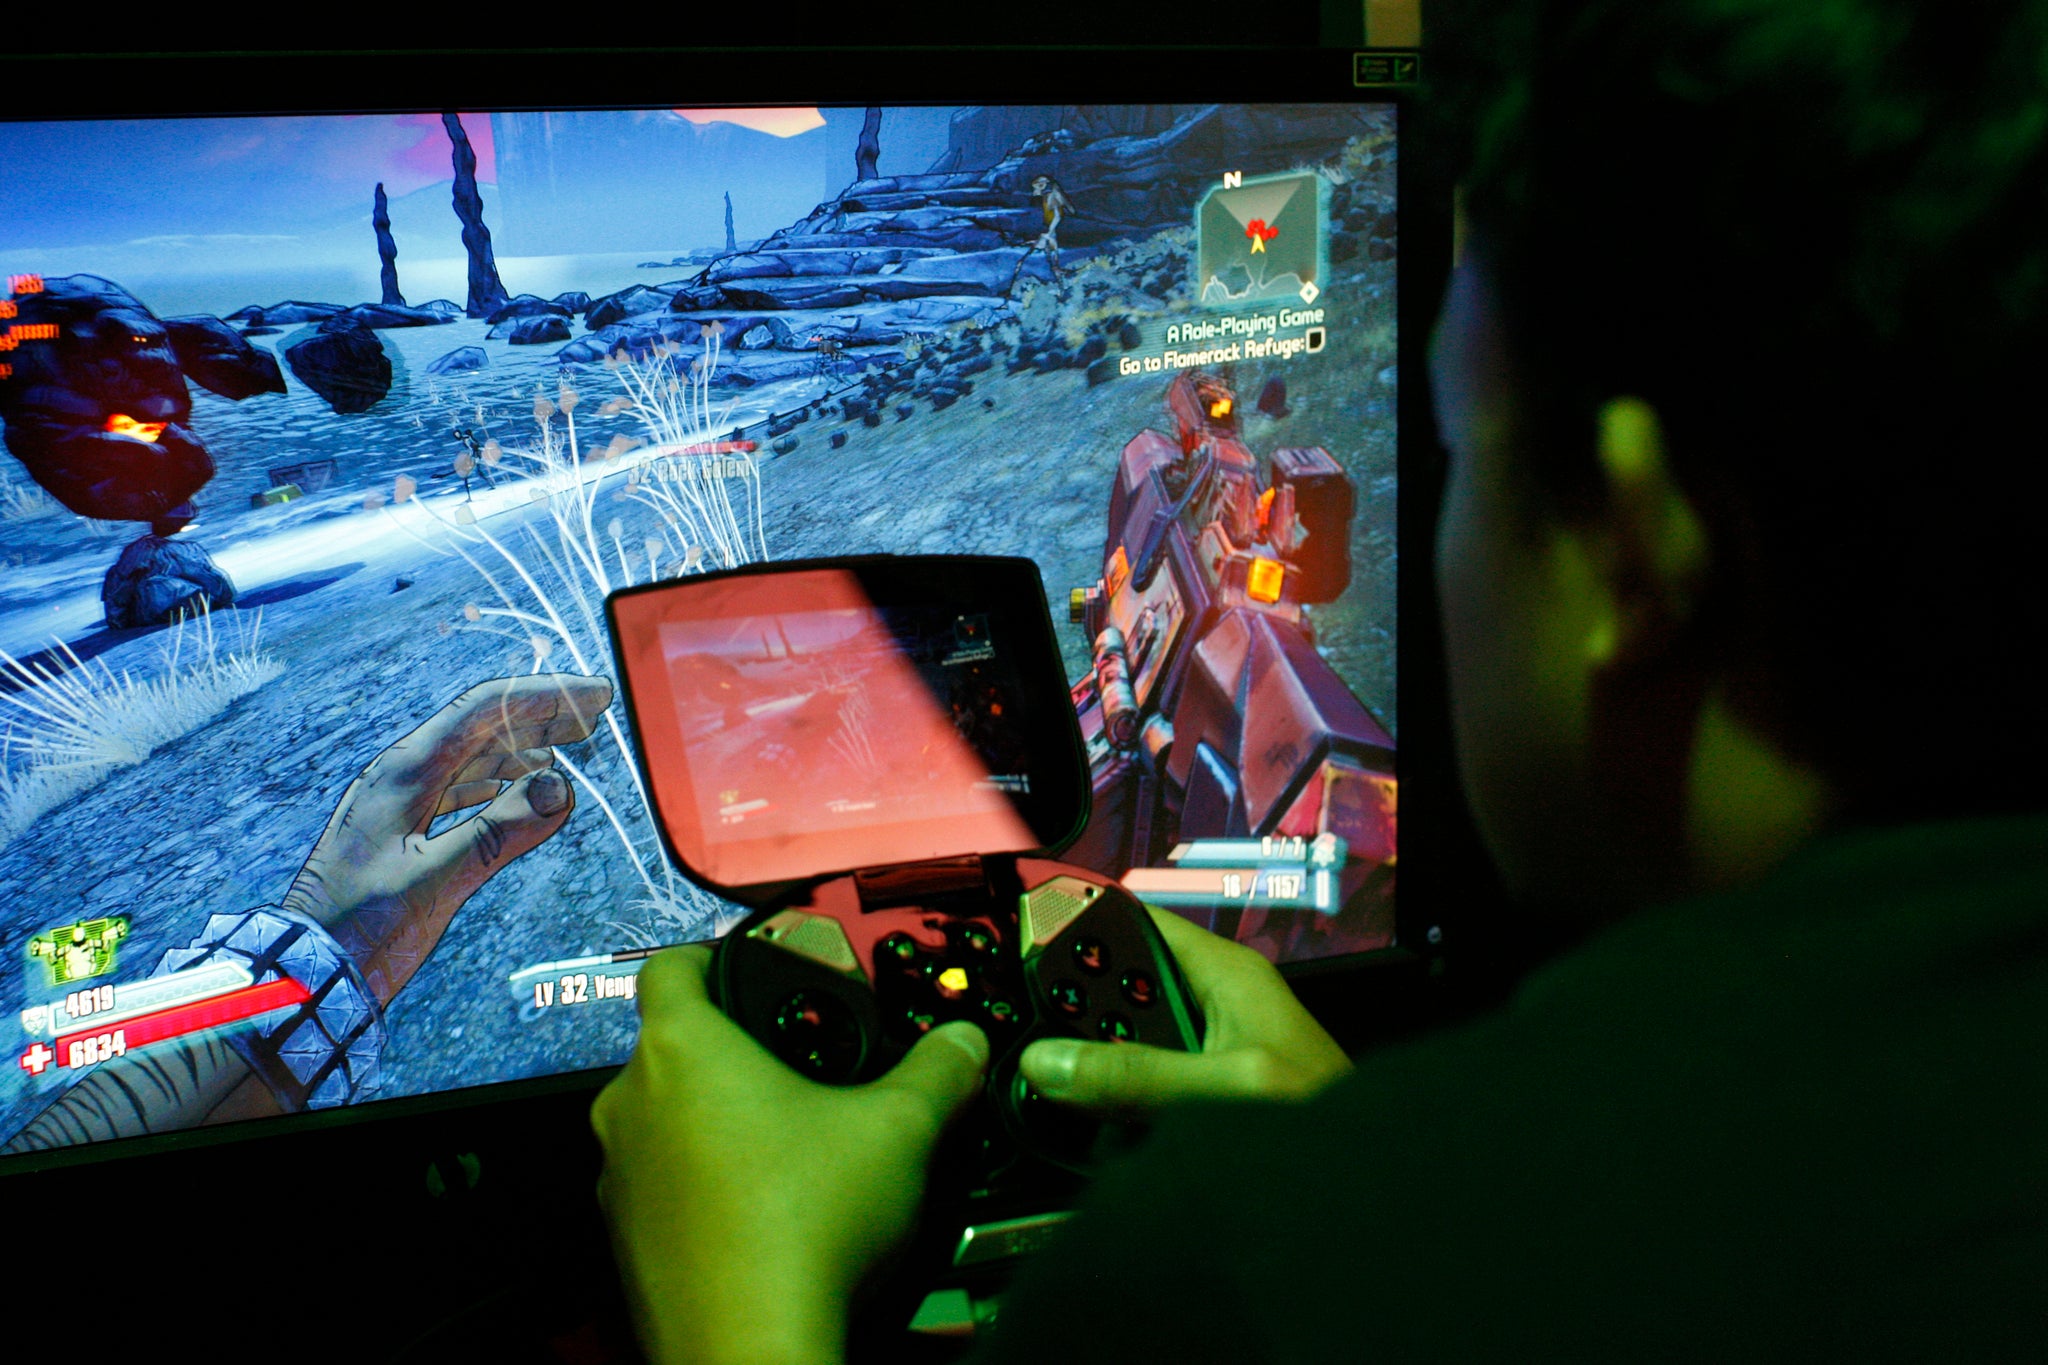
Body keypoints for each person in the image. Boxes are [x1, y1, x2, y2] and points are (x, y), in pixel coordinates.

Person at [590, 2, 2048, 1359]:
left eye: (1462, 452)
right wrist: (1367, 1148)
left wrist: (734, 1299)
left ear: (1630, 542)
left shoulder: (1232, 1280)